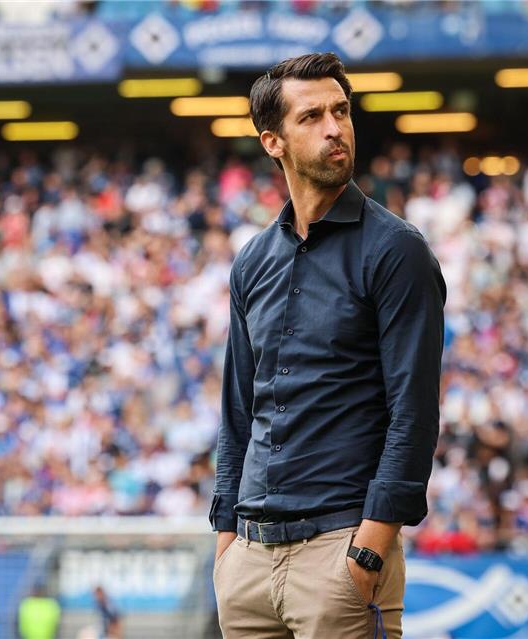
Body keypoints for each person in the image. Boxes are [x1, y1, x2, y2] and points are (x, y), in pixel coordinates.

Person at [210, 52, 447, 639]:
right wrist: (225, 540)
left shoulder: (396, 251)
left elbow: (414, 412)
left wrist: (369, 548)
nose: (335, 128)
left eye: (341, 111)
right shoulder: (252, 261)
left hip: (341, 551)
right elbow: (239, 409)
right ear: (274, 142)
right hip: (248, 562)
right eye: (312, 116)